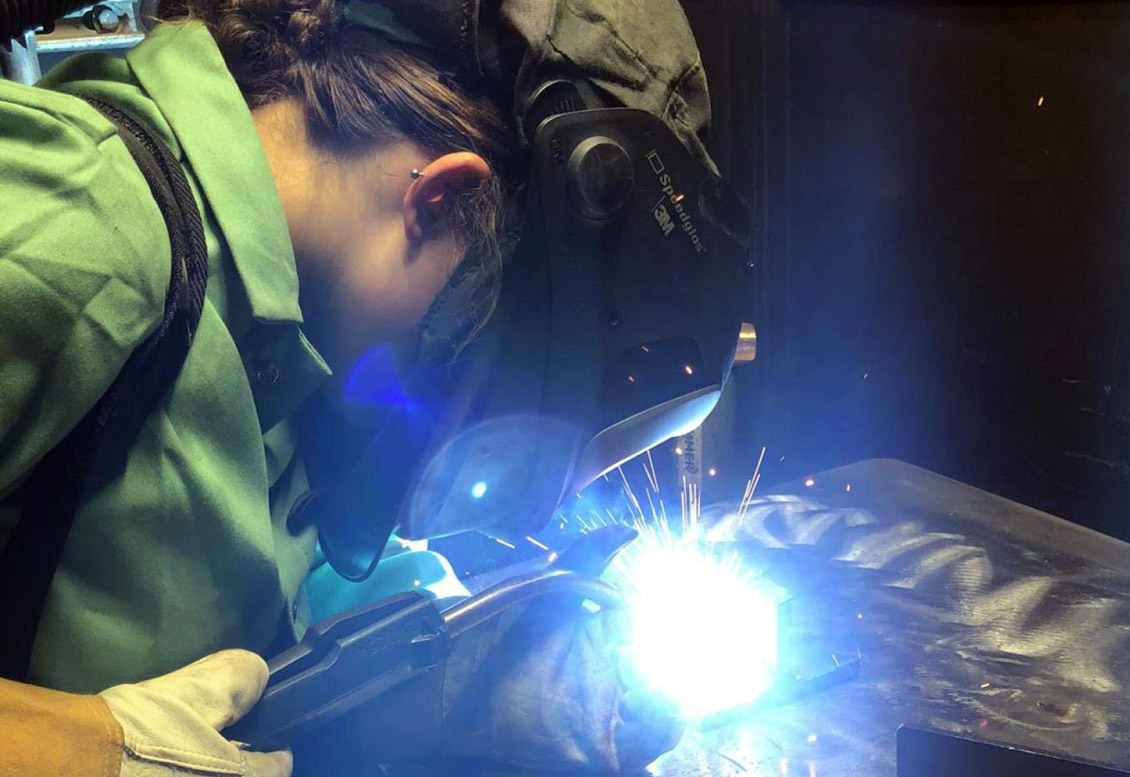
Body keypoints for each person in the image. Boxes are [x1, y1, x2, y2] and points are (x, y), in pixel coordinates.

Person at [0, 0, 717, 773]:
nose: (434, 410)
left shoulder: (289, 346)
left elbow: (257, 609)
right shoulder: (80, 226)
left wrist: (479, 665)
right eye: (458, 355)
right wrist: (91, 747)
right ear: (436, 200)